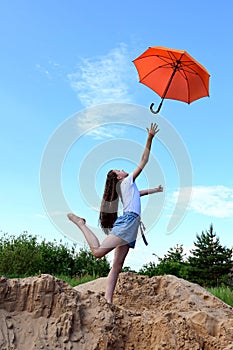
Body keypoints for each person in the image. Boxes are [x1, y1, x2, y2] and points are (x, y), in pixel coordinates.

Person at [67, 122, 163, 303]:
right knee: (97, 252)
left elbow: (138, 194)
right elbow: (144, 161)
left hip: (131, 225)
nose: (122, 169)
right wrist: (149, 138)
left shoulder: (128, 186)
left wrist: (155, 190)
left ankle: (108, 301)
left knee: (117, 265)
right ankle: (80, 223)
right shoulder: (125, 183)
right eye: (119, 170)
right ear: (119, 178)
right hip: (128, 223)